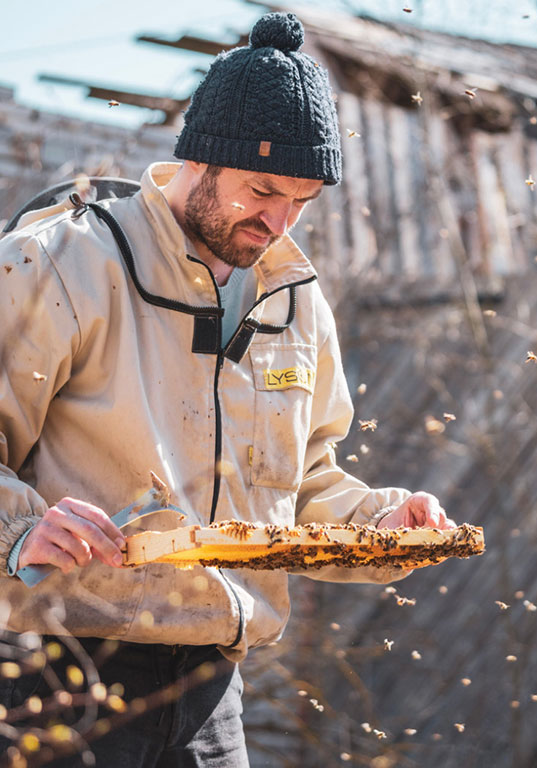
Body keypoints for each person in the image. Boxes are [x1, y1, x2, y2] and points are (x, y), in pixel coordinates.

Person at [0, 12, 452, 767]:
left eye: (301, 201)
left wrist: (383, 520)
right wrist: (16, 533)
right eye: (262, 190)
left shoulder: (297, 303)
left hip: (213, 691)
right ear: (197, 160)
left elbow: (299, 486)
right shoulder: (58, 263)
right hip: (55, 670)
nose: (278, 222)